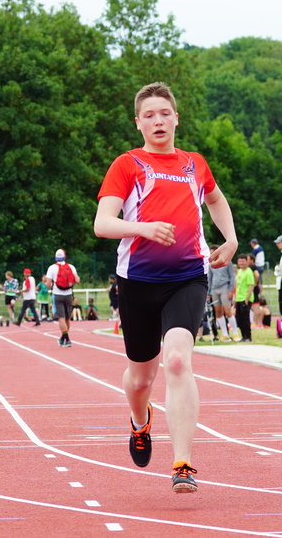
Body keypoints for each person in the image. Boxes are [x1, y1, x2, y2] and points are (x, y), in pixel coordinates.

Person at [94, 82, 238, 494]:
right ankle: (140, 422)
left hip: (187, 277)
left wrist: (230, 238)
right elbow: (103, 223)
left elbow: (215, 200)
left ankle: (183, 463)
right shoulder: (128, 164)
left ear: (176, 118)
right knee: (141, 379)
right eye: (149, 115)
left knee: (176, 361)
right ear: (138, 123)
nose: (158, 121)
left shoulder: (195, 164)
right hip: (137, 282)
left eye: (164, 113)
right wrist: (142, 228)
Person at [46, 249, 78, 347]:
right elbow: (77, 280)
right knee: (67, 318)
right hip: (68, 295)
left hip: (57, 295)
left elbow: (48, 284)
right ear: (64, 257)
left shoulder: (52, 268)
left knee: (61, 317)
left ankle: (67, 339)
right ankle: (63, 338)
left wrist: (52, 285)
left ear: (56, 257)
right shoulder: (71, 267)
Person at [207, 245, 239, 341]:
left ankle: (235, 333)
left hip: (224, 287)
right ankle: (225, 334)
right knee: (218, 312)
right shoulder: (211, 263)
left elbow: (232, 276)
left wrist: (231, 290)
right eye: (211, 252)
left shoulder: (226, 261)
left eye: (213, 252)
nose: (212, 254)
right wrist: (208, 291)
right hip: (214, 288)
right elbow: (210, 277)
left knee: (227, 310)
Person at [233, 254, 254, 341]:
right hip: (238, 298)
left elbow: (251, 286)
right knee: (239, 318)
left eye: (243, 261)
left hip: (245, 298)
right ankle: (243, 336)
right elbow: (237, 286)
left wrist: (247, 298)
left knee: (245, 318)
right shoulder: (239, 272)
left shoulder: (249, 272)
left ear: (246, 262)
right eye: (239, 261)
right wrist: (235, 298)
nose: (241, 263)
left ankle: (248, 336)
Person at [250, 238, 265, 322]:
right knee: (261, 280)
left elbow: (252, 256)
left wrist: (254, 283)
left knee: (259, 280)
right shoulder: (261, 248)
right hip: (261, 265)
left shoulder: (256, 250)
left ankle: (260, 292)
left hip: (259, 265)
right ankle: (260, 292)